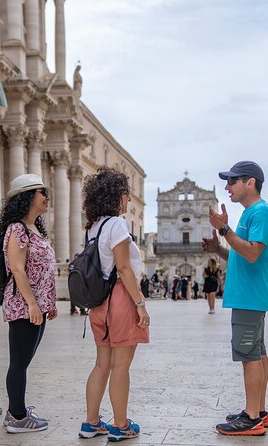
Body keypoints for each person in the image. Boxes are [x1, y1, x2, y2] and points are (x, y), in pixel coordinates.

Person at [201, 161, 268, 436]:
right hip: (249, 295)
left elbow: (254, 252)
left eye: (232, 181)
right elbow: (243, 254)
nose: (227, 186)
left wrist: (224, 230)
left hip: (249, 296)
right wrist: (219, 248)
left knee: (249, 355)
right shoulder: (251, 214)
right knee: (257, 352)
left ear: (250, 183)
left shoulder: (261, 213)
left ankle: (252, 417)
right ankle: (259, 410)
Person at [79, 167, 150, 442]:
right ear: (115, 195)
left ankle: (91, 422)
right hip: (120, 299)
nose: (128, 201)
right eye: (125, 194)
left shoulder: (92, 228)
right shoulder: (117, 225)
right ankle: (121, 425)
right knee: (121, 366)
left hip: (99, 303)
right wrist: (140, 304)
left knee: (102, 364)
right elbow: (124, 268)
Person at [0, 174, 57, 434]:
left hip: (37, 306)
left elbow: (43, 270)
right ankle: (18, 417)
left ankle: (16, 410)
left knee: (24, 360)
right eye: (41, 192)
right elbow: (18, 270)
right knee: (19, 362)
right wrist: (33, 304)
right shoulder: (17, 229)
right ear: (28, 197)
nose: (46, 197)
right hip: (24, 307)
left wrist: (48, 303)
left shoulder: (35, 230)